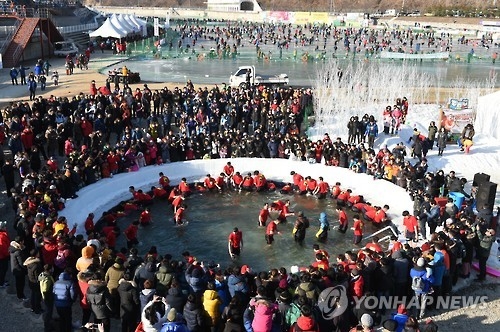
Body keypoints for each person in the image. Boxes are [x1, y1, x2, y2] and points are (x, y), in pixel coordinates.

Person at [53, 268, 76, 332]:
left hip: (58, 305)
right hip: (66, 305)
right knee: (68, 318)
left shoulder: (56, 283)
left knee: (62, 318)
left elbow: (53, 293)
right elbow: (73, 295)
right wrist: (72, 301)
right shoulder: (70, 283)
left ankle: (61, 330)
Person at [0, 221, 10, 288]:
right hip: (2, 257)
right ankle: (1, 283)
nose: (6, 227)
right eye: (4, 226)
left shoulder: (2, 235)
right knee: (3, 269)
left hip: (3, 256)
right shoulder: (1, 236)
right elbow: (3, 248)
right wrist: (8, 254)